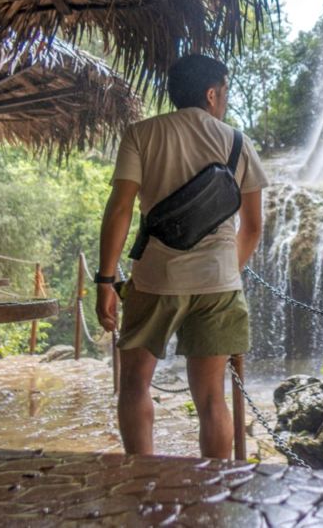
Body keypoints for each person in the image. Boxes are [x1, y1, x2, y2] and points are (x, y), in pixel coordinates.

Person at [95, 55, 267, 458]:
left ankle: (143, 479)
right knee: (212, 400)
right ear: (212, 93)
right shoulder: (238, 143)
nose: (225, 100)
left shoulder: (141, 134)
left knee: (135, 384)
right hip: (219, 286)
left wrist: (105, 280)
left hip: (156, 279)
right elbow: (254, 226)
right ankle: (213, 495)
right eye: (224, 92)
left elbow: (119, 208)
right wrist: (226, 270)